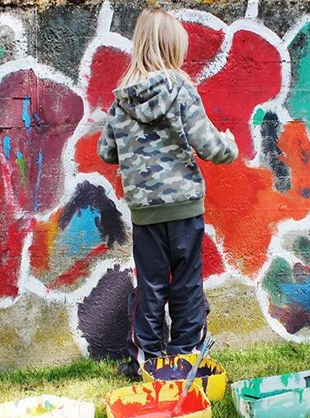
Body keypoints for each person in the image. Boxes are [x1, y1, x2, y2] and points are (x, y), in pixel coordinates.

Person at [98, 8, 238, 379]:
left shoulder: (121, 100)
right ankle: (185, 357)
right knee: (187, 284)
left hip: (146, 215)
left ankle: (145, 359)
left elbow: (105, 152)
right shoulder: (182, 91)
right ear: (172, 49)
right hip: (185, 211)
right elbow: (209, 146)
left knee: (151, 287)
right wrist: (230, 144)